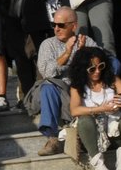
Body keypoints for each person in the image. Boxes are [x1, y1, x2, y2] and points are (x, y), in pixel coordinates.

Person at [68, 46, 121, 170]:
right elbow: (74, 110)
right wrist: (101, 109)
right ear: (82, 70)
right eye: (91, 69)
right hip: (93, 137)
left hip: (115, 132)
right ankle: (98, 162)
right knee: (84, 120)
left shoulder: (114, 80)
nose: (97, 72)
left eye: (100, 66)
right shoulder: (77, 87)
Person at [30, 8, 90, 156]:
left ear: (74, 26)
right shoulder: (47, 44)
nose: (56, 28)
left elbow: (102, 65)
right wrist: (68, 52)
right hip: (56, 90)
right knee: (48, 86)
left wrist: (82, 53)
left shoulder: (86, 41)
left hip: (80, 88)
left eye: (61, 25)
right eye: (54, 24)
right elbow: (47, 73)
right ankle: (52, 138)